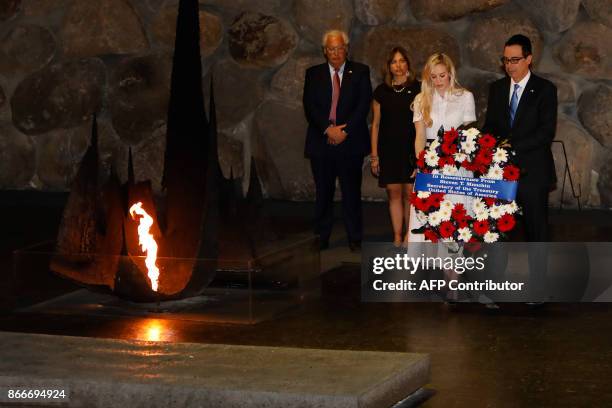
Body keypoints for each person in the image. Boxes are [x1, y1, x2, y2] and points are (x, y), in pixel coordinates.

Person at [482, 34, 557, 305]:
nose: (509, 65)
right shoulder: (497, 88)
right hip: (501, 174)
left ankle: (538, 288)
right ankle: (492, 288)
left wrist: (510, 146)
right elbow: (490, 126)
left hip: (533, 172)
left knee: (536, 231)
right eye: (505, 60)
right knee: (496, 231)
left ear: (529, 59)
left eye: (515, 60)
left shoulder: (545, 89)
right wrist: (481, 145)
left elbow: (545, 133)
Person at [303, 29, 373, 252]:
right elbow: (309, 106)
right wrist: (328, 129)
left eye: (339, 48)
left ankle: (355, 237)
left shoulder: (361, 71)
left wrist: (344, 131)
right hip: (321, 141)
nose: (335, 52)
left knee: (351, 192)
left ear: (346, 48)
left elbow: (363, 106)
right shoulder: (313, 73)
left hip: (350, 142)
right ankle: (321, 236)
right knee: (323, 192)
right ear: (325, 51)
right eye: (331, 49)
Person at [408, 53, 476, 243]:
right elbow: (420, 136)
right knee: (429, 217)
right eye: (433, 76)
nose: (438, 81)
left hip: (457, 167)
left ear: (450, 74)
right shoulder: (421, 99)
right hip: (430, 164)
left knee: (454, 220)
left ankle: (452, 270)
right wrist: (421, 165)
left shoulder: (465, 97)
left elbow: (469, 136)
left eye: (442, 75)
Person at [370, 46, 420, 247]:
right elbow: (375, 124)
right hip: (388, 150)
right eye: (394, 62)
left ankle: (409, 235)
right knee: (393, 193)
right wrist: (375, 155)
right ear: (388, 66)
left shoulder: (419, 88)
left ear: (407, 63)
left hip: (410, 150)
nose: (398, 65)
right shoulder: (382, 91)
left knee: (410, 194)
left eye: (402, 61)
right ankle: (397, 236)